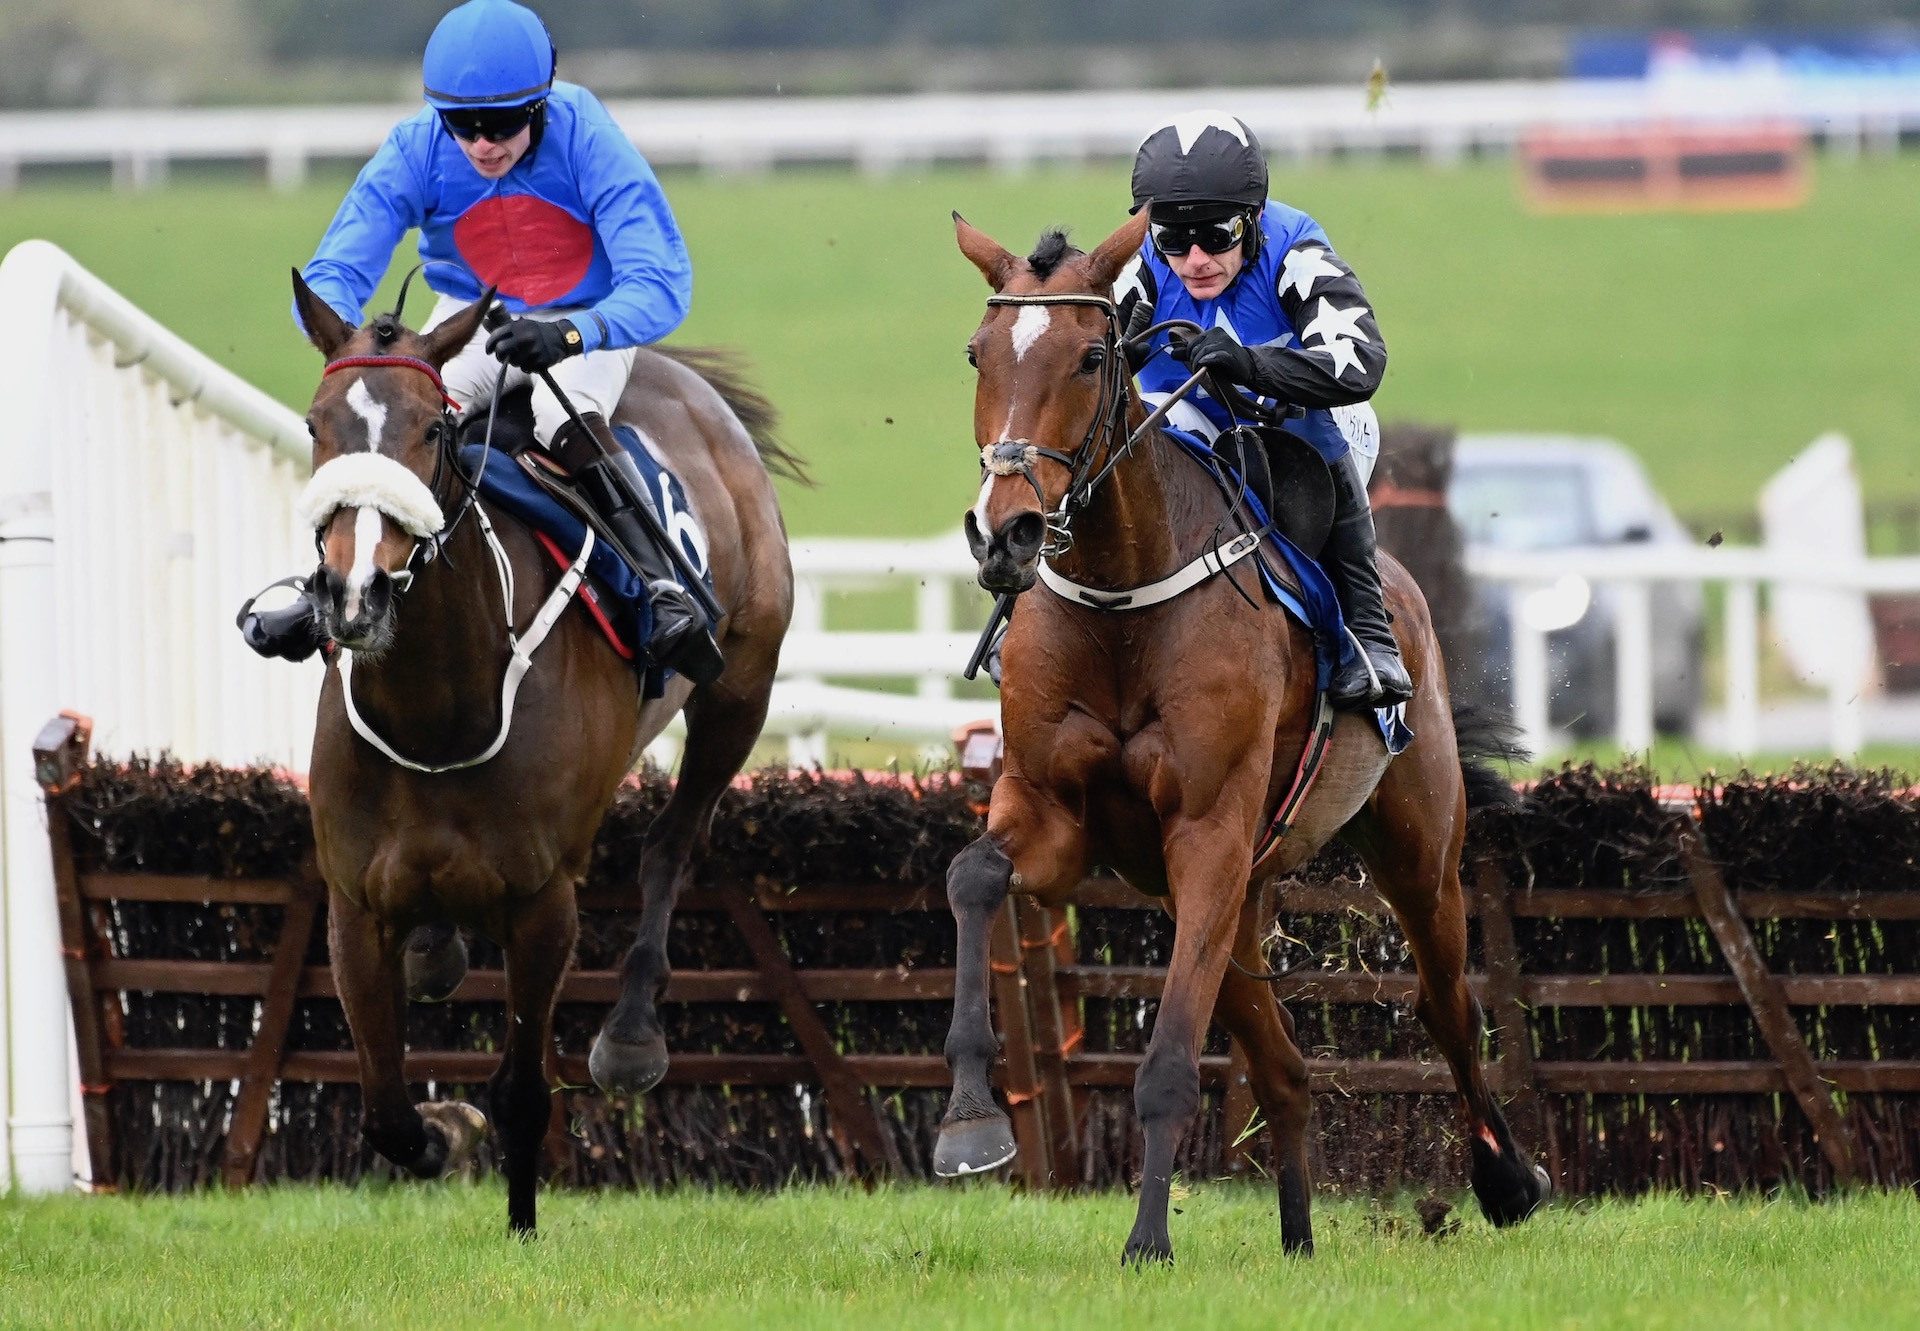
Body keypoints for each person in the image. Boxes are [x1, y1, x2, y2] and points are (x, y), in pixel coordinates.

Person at [249, 0, 720, 681]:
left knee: (563, 418)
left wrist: (567, 332)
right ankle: (330, 586)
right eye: (462, 126)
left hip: (591, 312)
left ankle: (660, 586)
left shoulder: (585, 132)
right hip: (476, 311)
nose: (481, 145)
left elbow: (661, 281)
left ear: (542, 101)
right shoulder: (418, 145)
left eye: (499, 124)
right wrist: (345, 340)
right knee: (401, 421)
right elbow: (337, 268)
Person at [1116, 110, 1412, 709]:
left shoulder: (1295, 250)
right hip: (1193, 411)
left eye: (1216, 236)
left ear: (1251, 221)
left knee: (1308, 427)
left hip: (1309, 412)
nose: (1195, 259)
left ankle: (1370, 633)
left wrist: (1250, 366)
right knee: (1124, 433)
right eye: (1174, 239)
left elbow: (1361, 364)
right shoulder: (1143, 262)